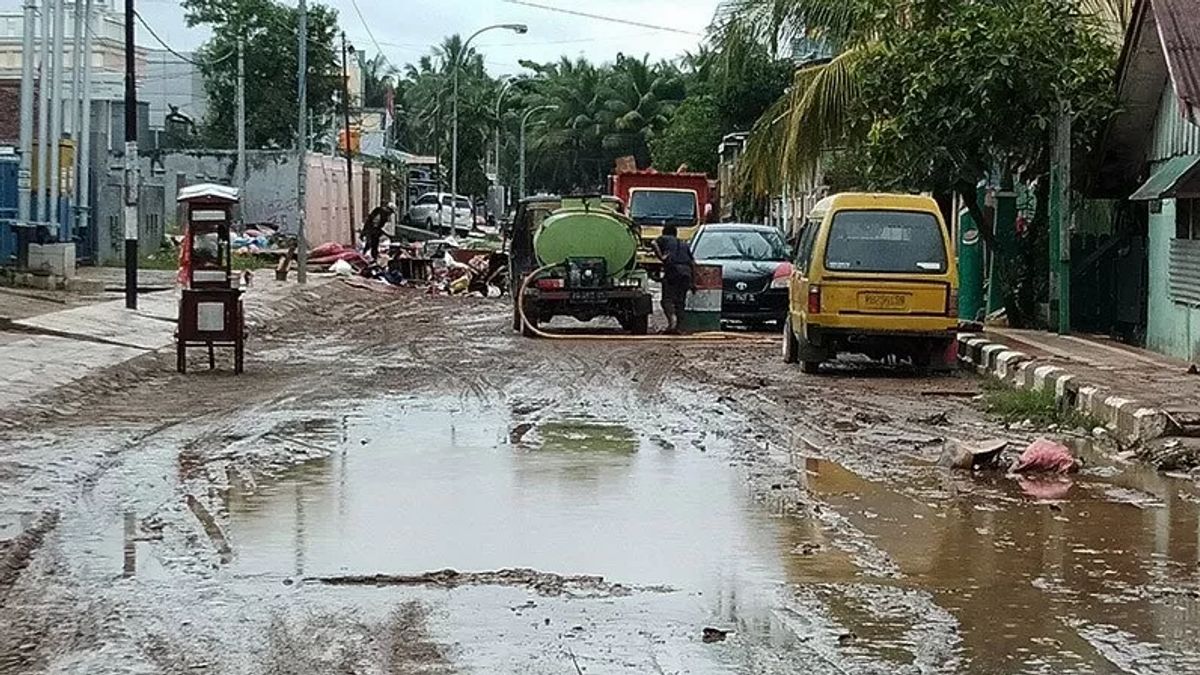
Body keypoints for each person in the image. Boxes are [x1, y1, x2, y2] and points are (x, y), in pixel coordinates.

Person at [652, 224, 695, 334]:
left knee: (667, 300)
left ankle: (672, 321)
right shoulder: (684, 244)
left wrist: (661, 257)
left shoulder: (664, 238)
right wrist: (693, 282)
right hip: (686, 273)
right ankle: (679, 328)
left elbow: (653, 243)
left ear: (664, 232)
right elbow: (692, 263)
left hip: (673, 270)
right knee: (680, 302)